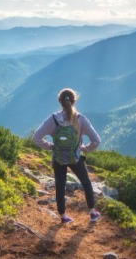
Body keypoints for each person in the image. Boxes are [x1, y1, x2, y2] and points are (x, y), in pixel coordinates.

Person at [32, 88, 102, 224]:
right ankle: (93, 213)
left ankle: (63, 217)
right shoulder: (81, 119)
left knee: (60, 185)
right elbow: (96, 141)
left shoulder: (52, 119)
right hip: (75, 157)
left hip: (58, 157)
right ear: (74, 101)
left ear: (60, 101)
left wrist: (50, 146)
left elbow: (36, 138)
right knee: (86, 183)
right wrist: (85, 148)